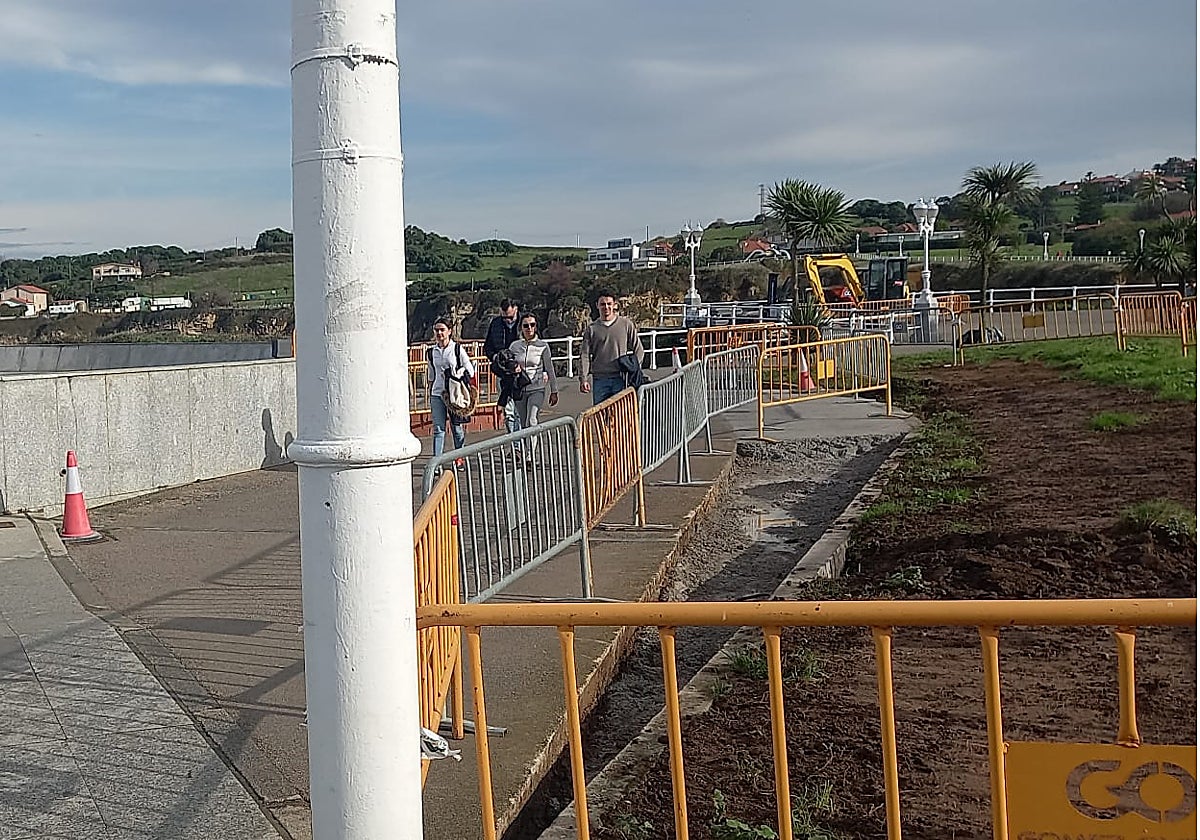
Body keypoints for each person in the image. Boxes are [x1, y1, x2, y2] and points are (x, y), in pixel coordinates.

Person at [579, 291, 643, 405]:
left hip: (621, 378)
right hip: (600, 379)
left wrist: (634, 369)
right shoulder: (592, 329)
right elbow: (585, 355)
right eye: (602, 304)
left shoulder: (626, 324)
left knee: (621, 415)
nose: (606, 307)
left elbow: (638, 349)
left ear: (615, 305)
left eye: (609, 303)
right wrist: (583, 378)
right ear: (597, 306)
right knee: (600, 416)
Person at [427, 317, 476, 457]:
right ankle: (437, 462)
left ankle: (459, 456)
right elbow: (431, 374)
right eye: (436, 330)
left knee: (456, 427)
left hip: (455, 393)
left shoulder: (457, 349)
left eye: (442, 330)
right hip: (438, 393)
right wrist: (430, 393)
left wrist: (458, 373)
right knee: (438, 429)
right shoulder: (431, 352)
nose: (439, 333)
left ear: (449, 331)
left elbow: (470, 370)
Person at [508, 313, 559, 432]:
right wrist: (512, 368)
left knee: (531, 421)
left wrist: (554, 390)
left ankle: (532, 451)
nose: (529, 328)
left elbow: (549, 368)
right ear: (521, 327)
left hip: (537, 388)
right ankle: (526, 449)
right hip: (520, 389)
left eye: (532, 325)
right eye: (526, 325)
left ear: (536, 327)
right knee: (523, 423)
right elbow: (508, 365)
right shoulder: (514, 346)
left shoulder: (542, 346)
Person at [483, 298, 521, 433]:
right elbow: (487, 347)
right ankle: (515, 446)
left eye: (510, 317)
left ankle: (525, 446)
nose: (508, 320)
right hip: (502, 373)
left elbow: (536, 346)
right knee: (509, 411)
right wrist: (495, 358)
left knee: (522, 412)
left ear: (516, 309)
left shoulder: (526, 323)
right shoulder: (495, 324)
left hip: (521, 373)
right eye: (504, 317)